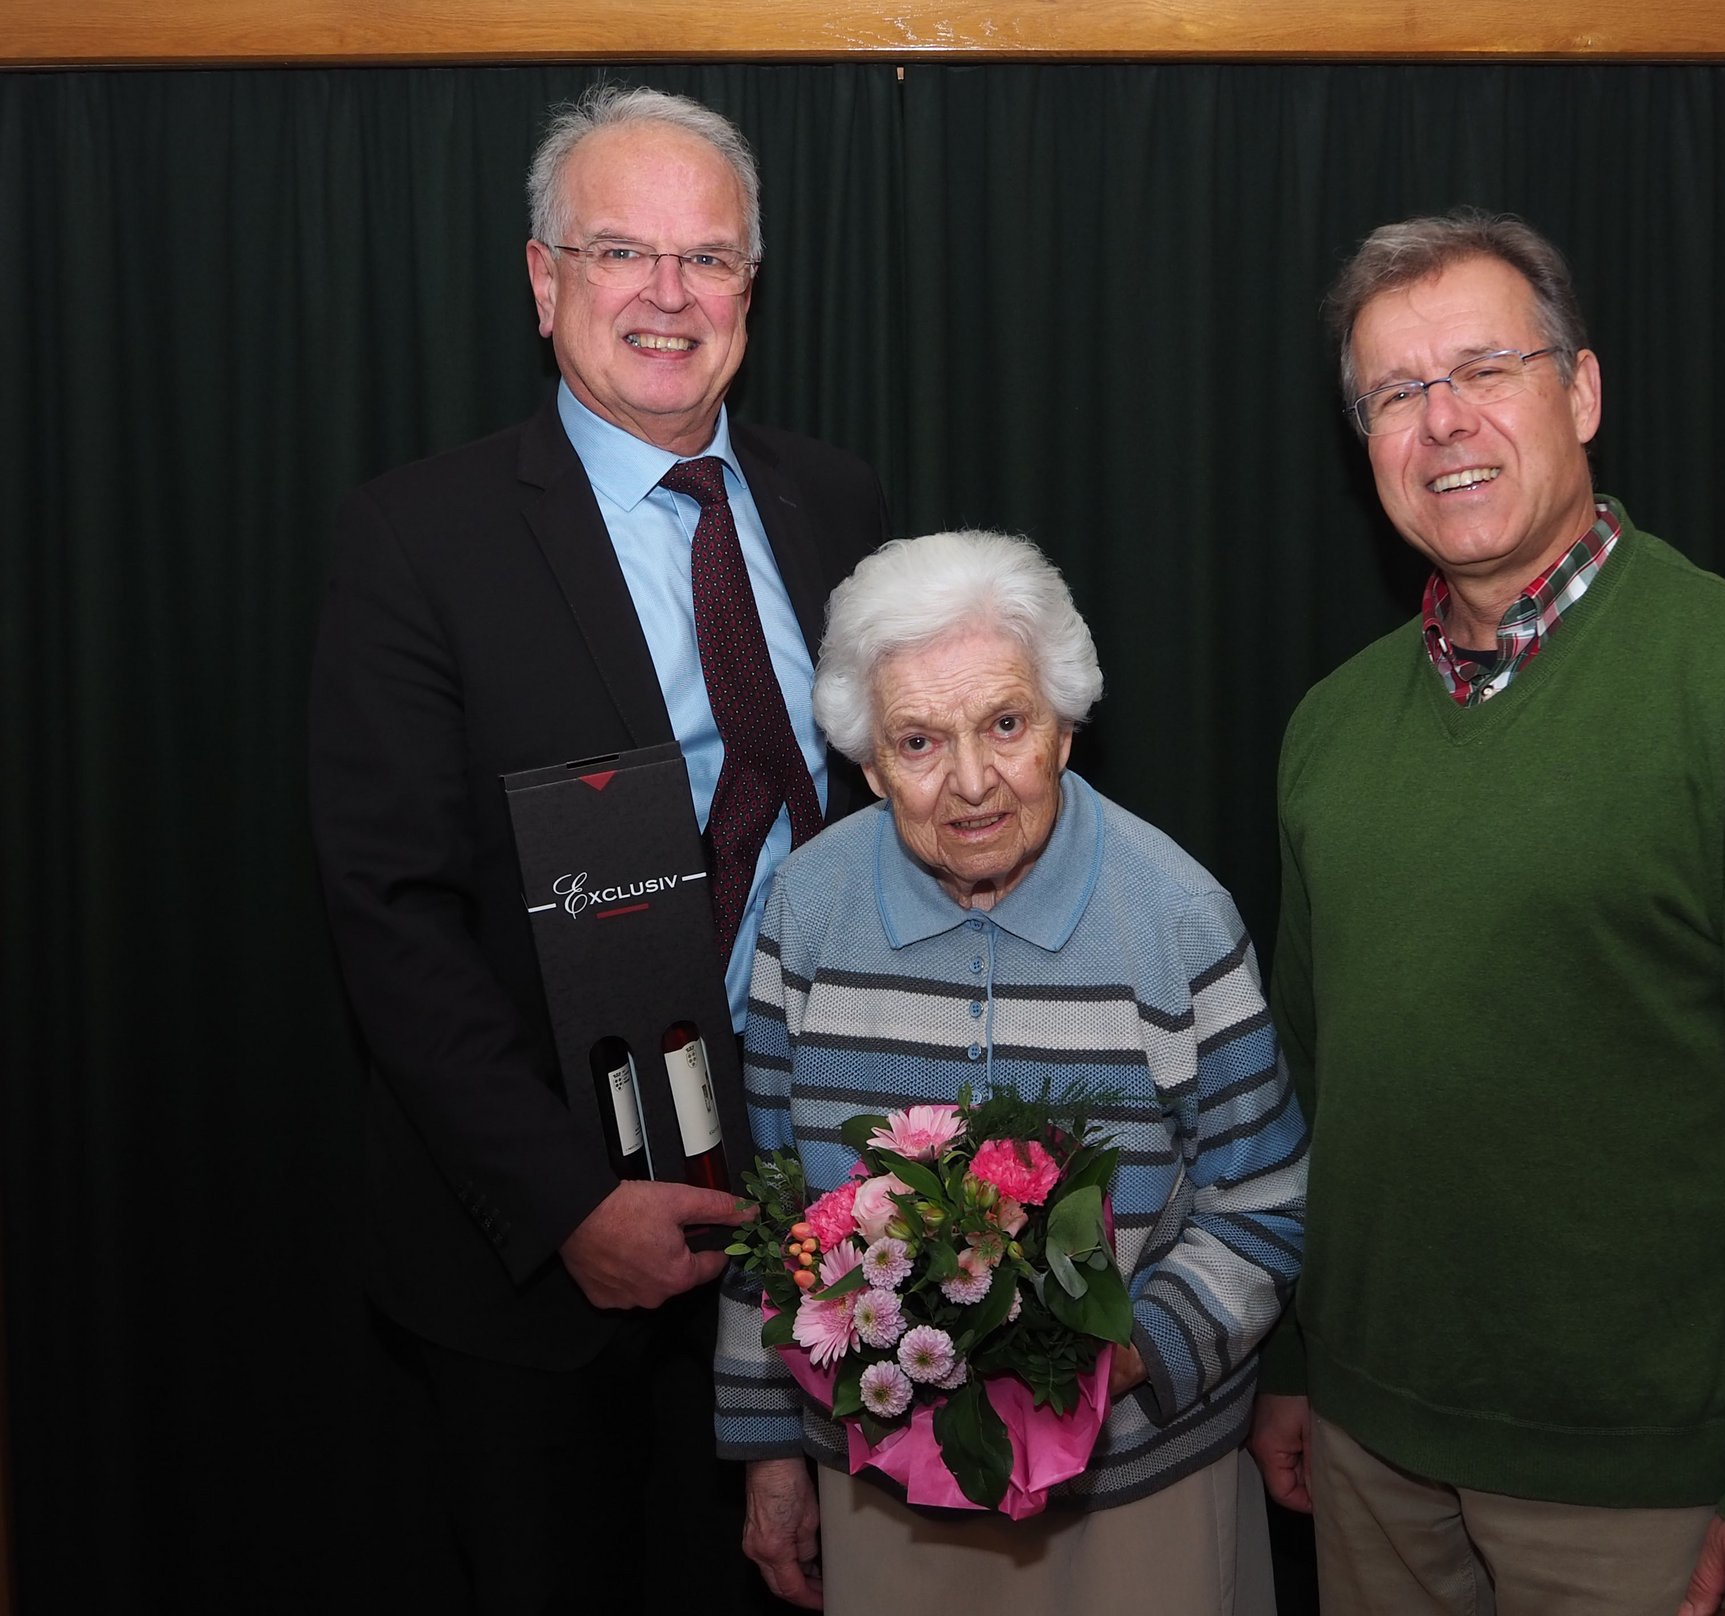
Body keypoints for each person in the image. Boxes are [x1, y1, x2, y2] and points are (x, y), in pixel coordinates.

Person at [1248, 209, 1725, 1616]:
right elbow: (1314, 1089)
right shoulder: (1329, 728)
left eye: (1484, 369)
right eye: (1394, 393)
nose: (1442, 424)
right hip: (1374, 1462)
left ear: (1583, 391)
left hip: (1653, 1494)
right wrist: (1302, 1366)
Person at [307, 84, 890, 1611]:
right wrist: (571, 1200)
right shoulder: (418, 540)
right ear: (543, 277)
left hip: (819, 1219)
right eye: (620, 250)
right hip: (543, 1263)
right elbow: (390, 915)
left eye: (707, 259)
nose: (666, 294)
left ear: (752, 291)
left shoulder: (838, 504)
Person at [713, 531, 1309, 1614]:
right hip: (878, 1489)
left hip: (1139, 1486)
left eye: (1004, 723)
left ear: (1065, 727)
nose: (972, 783)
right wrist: (769, 1450)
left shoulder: (1175, 915)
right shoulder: (803, 910)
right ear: (865, 761)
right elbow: (774, 1212)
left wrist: (1110, 1363)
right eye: (917, 741)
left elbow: (1261, 1201)